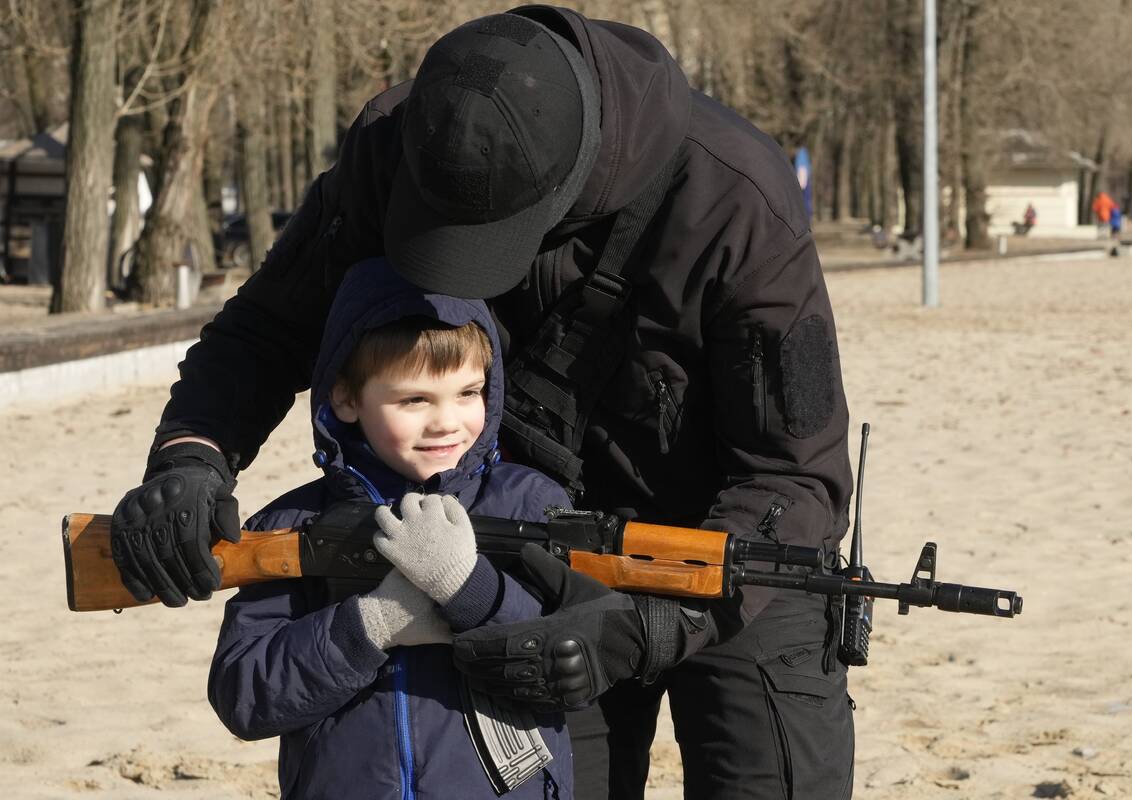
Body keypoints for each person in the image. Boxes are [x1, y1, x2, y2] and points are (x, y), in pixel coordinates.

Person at [112, 8, 855, 798]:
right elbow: (269, 325)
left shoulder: (737, 197)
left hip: (731, 549)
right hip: (519, 542)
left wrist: (652, 624)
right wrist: (191, 458)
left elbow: (795, 475)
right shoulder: (402, 140)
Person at [207, 256, 574, 798]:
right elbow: (245, 696)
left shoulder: (532, 504)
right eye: (414, 399)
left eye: (468, 392)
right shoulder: (291, 528)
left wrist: (470, 592)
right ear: (346, 397)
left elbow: (573, 670)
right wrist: (374, 623)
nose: (447, 421)